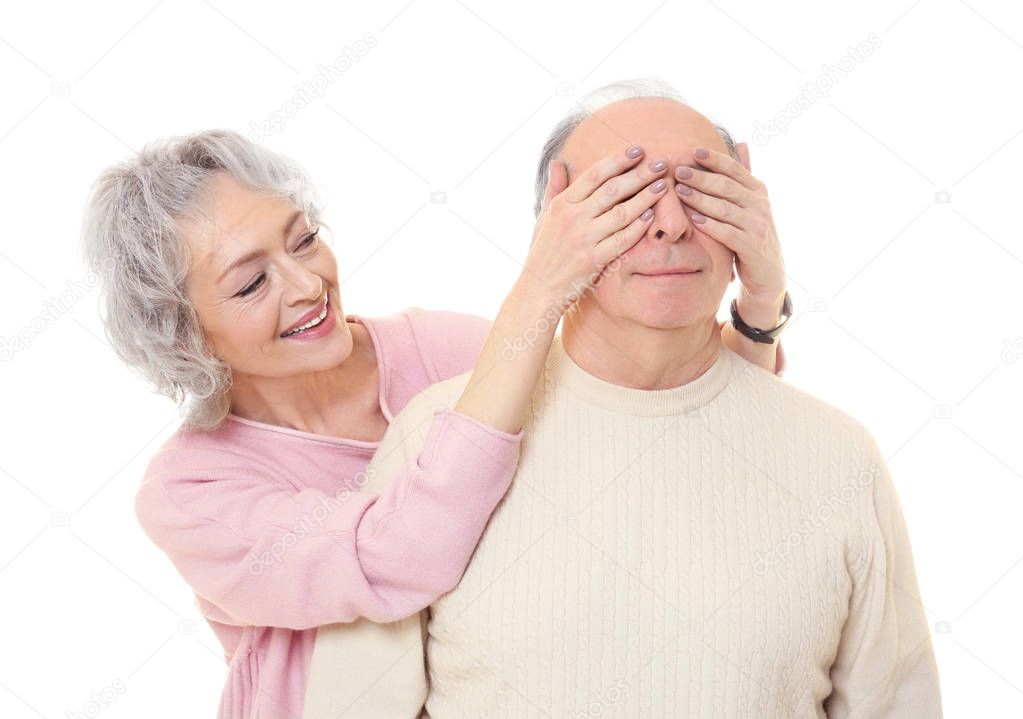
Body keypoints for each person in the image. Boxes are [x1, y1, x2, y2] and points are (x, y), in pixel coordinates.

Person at [80, 116, 787, 719]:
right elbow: (398, 557)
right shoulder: (190, 494)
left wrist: (758, 306)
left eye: (302, 240)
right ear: (181, 332)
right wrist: (541, 288)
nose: (305, 286)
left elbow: (660, 444)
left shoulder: (449, 349)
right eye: (250, 282)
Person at [302, 81, 942, 718]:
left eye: (701, 192)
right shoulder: (434, 438)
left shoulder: (838, 455)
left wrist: (763, 303)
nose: (669, 224)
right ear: (557, 225)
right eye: (627, 195)